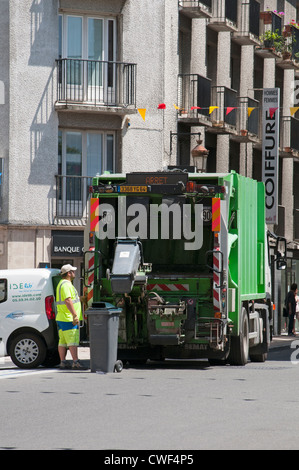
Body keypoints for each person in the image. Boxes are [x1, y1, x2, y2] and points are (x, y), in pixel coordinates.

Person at [56, 264, 87, 369]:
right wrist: (74, 315)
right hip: (68, 318)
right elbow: (68, 300)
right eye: (73, 271)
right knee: (72, 341)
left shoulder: (62, 284)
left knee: (63, 341)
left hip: (62, 317)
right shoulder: (66, 285)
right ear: (69, 273)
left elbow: (70, 299)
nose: (74, 273)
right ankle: (76, 362)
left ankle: (63, 362)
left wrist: (80, 298)